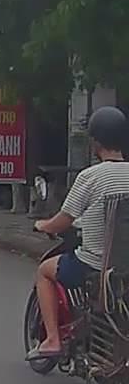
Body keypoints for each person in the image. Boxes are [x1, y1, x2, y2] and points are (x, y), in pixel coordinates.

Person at [27, 105, 129, 361]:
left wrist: (43, 225)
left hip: (94, 265)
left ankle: (52, 340)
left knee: (44, 272)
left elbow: (63, 221)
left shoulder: (90, 176)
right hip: (125, 267)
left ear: (96, 142)